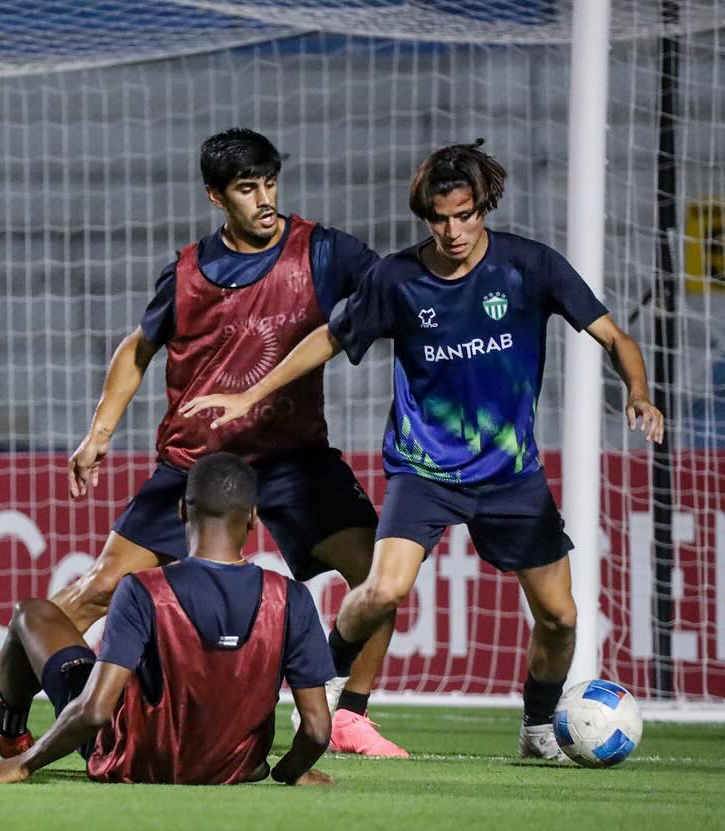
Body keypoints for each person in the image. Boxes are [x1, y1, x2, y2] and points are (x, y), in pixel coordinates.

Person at [181, 140, 666, 761]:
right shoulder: (398, 279)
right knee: (382, 590)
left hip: (510, 476)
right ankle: (322, 683)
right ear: (425, 216)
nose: (453, 230)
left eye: (465, 215)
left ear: (482, 207)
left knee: (562, 618)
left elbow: (614, 335)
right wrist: (248, 395)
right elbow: (325, 339)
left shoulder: (530, 266)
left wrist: (640, 391)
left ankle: (539, 726)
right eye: (440, 218)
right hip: (423, 470)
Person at [0, 127, 406, 757]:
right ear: (216, 197)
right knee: (101, 586)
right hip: (196, 465)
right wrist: (99, 432)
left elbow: (399, 293)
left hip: (293, 457)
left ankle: (348, 715)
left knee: (378, 575)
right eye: (246, 188)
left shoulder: (324, 253)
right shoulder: (186, 273)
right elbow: (138, 348)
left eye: (270, 183)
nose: (264, 199)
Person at [0, 453, 334, 786]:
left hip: (134, 760)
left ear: (182, 510)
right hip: (233, 770)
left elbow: (95, 710)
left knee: (31, 613)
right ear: (252, 517)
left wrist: (24, 764)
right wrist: (287, 771)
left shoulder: (146, 589)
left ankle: (9, 731)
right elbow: (316, 730)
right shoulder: (292, 599)